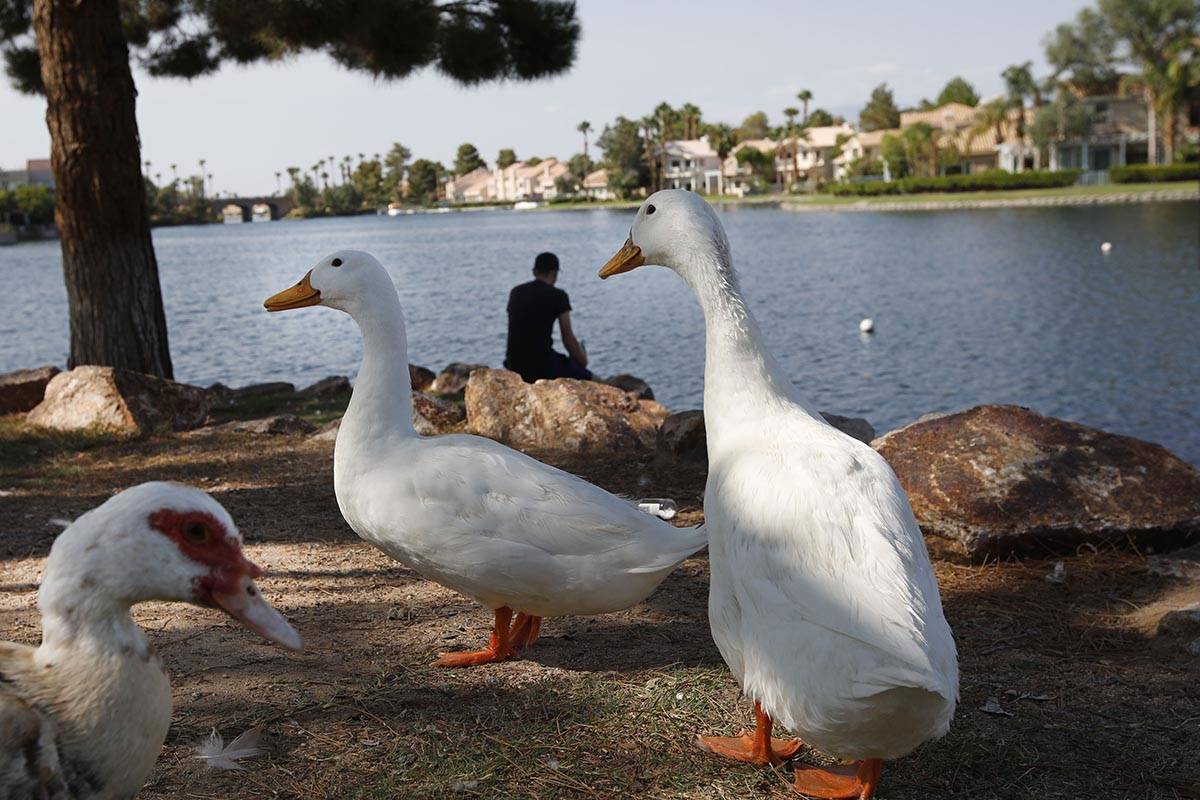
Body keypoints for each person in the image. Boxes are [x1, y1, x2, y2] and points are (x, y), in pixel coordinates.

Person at [504, 252, 593, 382]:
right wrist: (582, 362)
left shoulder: (516, 292)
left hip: (514, 364)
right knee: (593, 380)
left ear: (534, 271)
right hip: (542, 366)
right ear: (555, 274)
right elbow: (567, 338)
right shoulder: (558, 296)